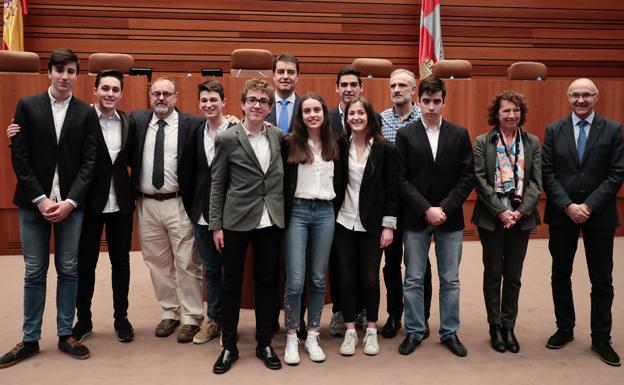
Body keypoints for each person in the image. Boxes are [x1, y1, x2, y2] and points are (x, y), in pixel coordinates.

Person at [4, 70, 138, 344]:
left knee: (121, 263)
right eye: (105, 89)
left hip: (121, 203)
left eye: (115, 89)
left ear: (121, 93)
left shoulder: (129, 122)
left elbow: (135, 158)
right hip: (87, 202)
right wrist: (15, 135)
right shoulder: (82, 117)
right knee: (84, 264)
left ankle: (121, 317)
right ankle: (84, 319)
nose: (110, 94)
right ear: (95, 91)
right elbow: (54, 143)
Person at [0, 48, 98, 368]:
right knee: (34, 271)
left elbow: (89, 162)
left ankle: (65, 333)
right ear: (50, 72)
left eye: (71, 71)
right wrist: (41, 199)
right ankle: (30, 338)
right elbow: (20, 157)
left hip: (72, 205)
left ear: (76, 75)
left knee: (68, 269)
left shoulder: (85, 112)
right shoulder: (28, 106)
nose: (65, 77)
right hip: (33, 204)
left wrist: (70, 202)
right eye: (60, 70)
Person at [542, 78, 624, 367]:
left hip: (598, 214)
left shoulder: (613, 130)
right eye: (575, 94)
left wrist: (588, 205)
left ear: (596, 97)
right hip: (562, 214)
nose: (581, 99)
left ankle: (601, 336)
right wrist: (568, 205)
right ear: (568, 97)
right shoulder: (554, 130)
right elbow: (547, 172)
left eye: (587, 94)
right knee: (560, 273)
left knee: (601, 278)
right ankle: (564, 328)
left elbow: (616, 173)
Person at [209, 78, 284, 374]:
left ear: (269, 108)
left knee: (267, 283)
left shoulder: (278, 135)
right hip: (235, 221)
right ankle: (229, 345)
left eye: (263, 101)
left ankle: (264, 342)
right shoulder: (228, 138)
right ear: (242, 104)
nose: (257, 105)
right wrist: (216, 225)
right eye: (252, 100)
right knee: (231, 285)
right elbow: (218, 184)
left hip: (271, 221)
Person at [396, 76, 475, 358]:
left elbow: (467, 177)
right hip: (416, 218)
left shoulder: (458, 133)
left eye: (436, 101)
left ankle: (449, 331)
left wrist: (445, 208)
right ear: (419, 102)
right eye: (426, 101)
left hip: (449, 219)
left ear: (444, 102)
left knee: (450, 279)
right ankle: (415, 330)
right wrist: (426, 209)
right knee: (414, 278)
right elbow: (401, 179)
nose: (431, 107)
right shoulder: (406, 135)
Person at [131, 77, 204, 343]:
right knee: (157, 263)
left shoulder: (193, 125)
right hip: (146, 203)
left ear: (176, 96)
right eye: (156, 93)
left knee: (187, 262)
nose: (161, 98)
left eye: (167, 94)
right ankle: (169, 312)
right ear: (150, 96)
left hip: (178, 203)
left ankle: (193, 316)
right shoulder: (137, 121)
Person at [472, 90, 542, 353]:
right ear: (497, 114)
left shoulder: (532, 142)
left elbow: (536, 181)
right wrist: (501, 211)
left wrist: (520, 211)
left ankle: (508, 326)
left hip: (521, 219)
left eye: (516, 111)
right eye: (506, 111)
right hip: (492, 219)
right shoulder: (483, 141)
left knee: (513, 276)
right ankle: (494, 326)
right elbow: (480, 179)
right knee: (492, 274)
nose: (512, 115)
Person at [282, 92, 343, 364]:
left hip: (325, 213)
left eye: (316, 109)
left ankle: (313, 334)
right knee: (295, 280)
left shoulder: (336, 143)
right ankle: (293, 335)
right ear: (300, 116)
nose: (312, 115)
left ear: (324, 113)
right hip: (297, 211)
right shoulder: (289, 143)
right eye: (306, 111)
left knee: (318, 279)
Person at [334, 96, 398, 356]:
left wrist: (388, 226)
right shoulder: (339, 145)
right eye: (352, 114)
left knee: (370, 279)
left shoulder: (386, 149)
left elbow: (392, 191)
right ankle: (350, 330)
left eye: (361, 113)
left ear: (370, 117)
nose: (356, 117)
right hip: (343, 222)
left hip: (373, 225)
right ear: (346, 118)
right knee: (346, 279)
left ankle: (371, 329)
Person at [328, 66, 380, 336]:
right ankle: (342, 313)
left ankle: (364, 313)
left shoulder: (377, 133)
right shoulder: (327, 121)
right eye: (343, 84)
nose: (348, 89)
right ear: (336, 88)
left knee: (368, 272)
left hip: (370, 216)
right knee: (341, 269)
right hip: (340, 213)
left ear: (361, 88)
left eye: (353, 84)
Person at [379, 68, 430, 339]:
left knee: (419, 264)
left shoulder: (426, 119)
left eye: (402, 86)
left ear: (413, 90)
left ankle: (422, 315)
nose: (397, 89)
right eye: (393, 86)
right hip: (388, 203)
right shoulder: (380, 119)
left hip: (415, 203)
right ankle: (394, 314)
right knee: (391, 264)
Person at [189, 80, 234, 344]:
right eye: (204, 100)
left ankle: (231, 320)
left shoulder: (237, 130)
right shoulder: (196, 132)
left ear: (223, 102)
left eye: (213, 100)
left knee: (232, 271)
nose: (209, 104)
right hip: (202, 214)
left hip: (232, 214)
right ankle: (215, 319)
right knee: (211, 269)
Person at [267, 54, 301, 134]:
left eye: (290, 72)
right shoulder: (262, 105)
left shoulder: (304, 106)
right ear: (273, 75)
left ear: (297, 77)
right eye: (280, 72)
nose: (285, 76)